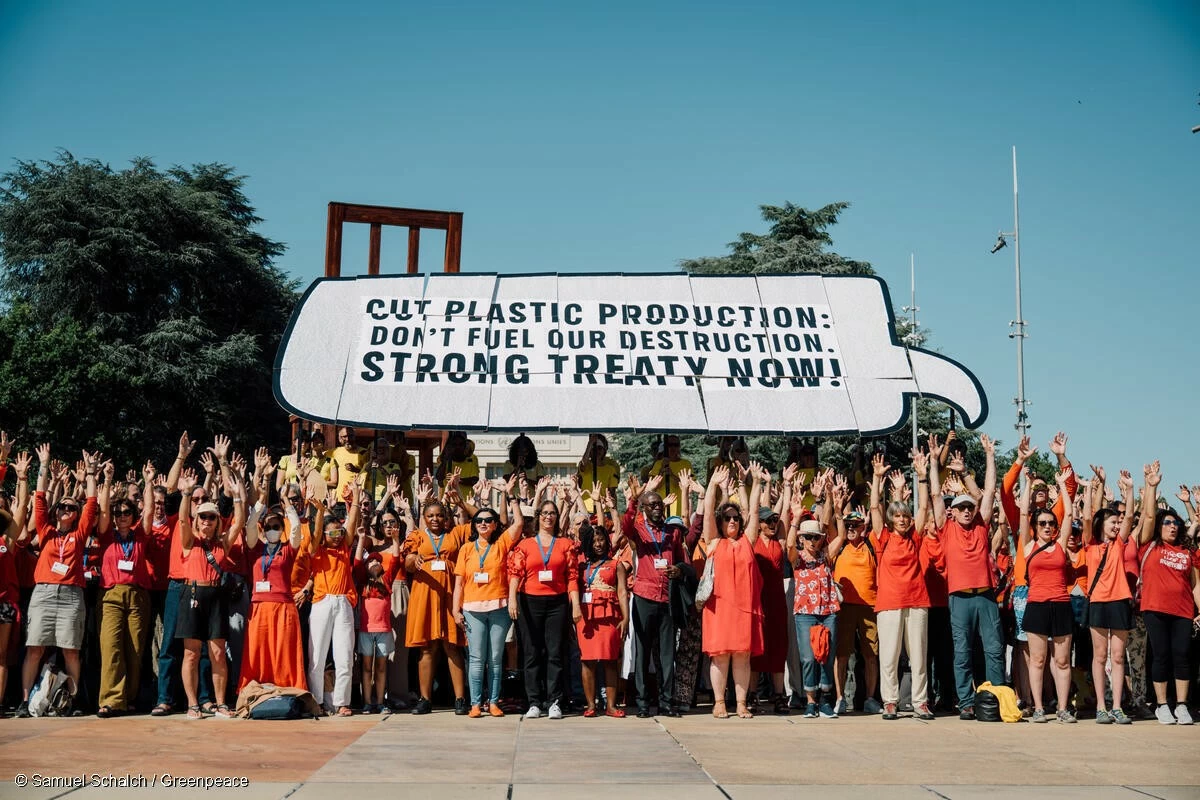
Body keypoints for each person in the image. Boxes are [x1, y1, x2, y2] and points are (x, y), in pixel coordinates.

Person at [15, 444, 99, 717]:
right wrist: (43, 464)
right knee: (35, 648)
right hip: (44, 593)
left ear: (75, 514)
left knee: (71, 651)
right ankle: (26, 701)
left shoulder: (80, 533)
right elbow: (39, 499)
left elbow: (92, 504)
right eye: (62, 505)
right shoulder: (47, 530)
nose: (66, 508)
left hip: (72, 595)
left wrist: (90, 475)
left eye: (71, 507)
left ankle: (71, 701)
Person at [926, 432, 1003, 721]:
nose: (967, 511)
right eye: (961, 508)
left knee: (994, 650)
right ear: (952, 512)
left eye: (969, 507)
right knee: (962, 654)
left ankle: (996, 697)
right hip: (959, 599)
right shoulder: (946, 529)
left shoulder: (982, 527)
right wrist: (934, 462)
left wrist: (989, 456)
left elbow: (990, 490)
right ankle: (967, 703)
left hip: (985, 596)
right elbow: (935, 495)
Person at [175, 465, 245, 719]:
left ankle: (221, 703)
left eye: (211, 517)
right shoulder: (189, 541)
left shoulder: (222, 543)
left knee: (217, 652)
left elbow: (239, 522)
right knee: (191, 653)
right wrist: (185, 494)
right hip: (192, 595)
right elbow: (183, 519)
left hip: (216, 597)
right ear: (197, 520)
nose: (206, 521)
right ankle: (193, 704)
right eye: (203, 517)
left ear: (217, 522)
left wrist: (238, 496)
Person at [870, 451, 935, 721]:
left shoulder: (915, 538)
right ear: (890, 519)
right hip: (889, 603)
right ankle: (890, 702)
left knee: (919, 657)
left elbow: (922, 509)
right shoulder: (882, 538)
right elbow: (874, 508)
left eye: (905, 516)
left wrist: (921, 477)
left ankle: (920, 702)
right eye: (897, 516)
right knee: (889, 656)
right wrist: (876, 478)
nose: (903, 519)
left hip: (917, 601)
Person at [616, 474, 688, 718]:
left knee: (668, 653)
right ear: (645, 509)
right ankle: (643, 703)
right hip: (644, 596)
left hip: (667, 597)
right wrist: (634, 500)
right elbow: (625, 526)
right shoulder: (639, 531)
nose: (657, 508)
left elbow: (683, 563)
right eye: (652, 505)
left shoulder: (673, 533)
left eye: (660, 504)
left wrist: (678, 570)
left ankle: (667, 702)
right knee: (642, 650)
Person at [1134, 462, 1199, 725]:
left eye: (1176, 523)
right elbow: (1148, 517)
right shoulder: (1148, 545)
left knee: (1182, 655)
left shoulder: (1187, 552)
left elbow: (1195, 585)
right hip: (1155, 609)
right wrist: (1151, 486)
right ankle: (1162, 705)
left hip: (1183, 611)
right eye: (1168, 522)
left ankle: (1181, 705)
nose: (1173, 526)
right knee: (1161, 655)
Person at [700, 463, 765, 719]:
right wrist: (712, 486)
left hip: (744, 609)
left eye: (736, 518)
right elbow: (706, 515)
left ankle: (740, 703)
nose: (732, 521)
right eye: (727, 518)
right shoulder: (714, 542)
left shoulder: (747, 541)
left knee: (742, 657)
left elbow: (755, 512)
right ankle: (718, 702)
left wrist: (757, 483)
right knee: (720, 657)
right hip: (718, 608)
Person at [452, 489, 524, 718]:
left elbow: (519, 523)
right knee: (476, 658)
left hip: (499, 608)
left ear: (495, 525)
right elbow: (459, 584)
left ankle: (493, 702)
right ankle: (475, 704)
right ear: (474, 526)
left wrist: (512, 498)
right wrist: (456, 609)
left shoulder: (502, 544)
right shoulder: (466, 549)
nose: (483, 524)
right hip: (473, 609)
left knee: (495, 659)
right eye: (479, 521)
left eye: (488, 520)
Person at [508, 500, 581, 719]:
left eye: (553, 513)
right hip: (530, 601)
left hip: (557, 603)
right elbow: (515, 573)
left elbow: (572, 577)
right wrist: (512, 599)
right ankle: (534, 702)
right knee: (531, 653)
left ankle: (555, 701)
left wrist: (575, 604)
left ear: (557, 517)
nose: (548, 517)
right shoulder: (526, 544)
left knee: (555, 653)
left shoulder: (565, 544)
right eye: (545, 513)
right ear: (538, 517)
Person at [1018, 467, 1078, 723]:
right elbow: (1022, 511)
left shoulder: (1060, 544)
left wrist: (1063, 485)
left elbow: (1069, 515)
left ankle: (1063, 708)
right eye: (1042, 523)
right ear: (1034, 526)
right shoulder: (1028, 545)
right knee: (1038, 659)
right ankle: (1039, 707)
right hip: (1037, 605)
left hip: (1061, 605)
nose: (1047, 526)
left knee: (1062, 661)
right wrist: (1028, 485)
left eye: (1050, 523)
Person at [403, 497, 470, 714]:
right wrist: (415, 561)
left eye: (439, 515)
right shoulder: (418, 536)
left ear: (447, 518)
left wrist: (461, 501)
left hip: (450, 594)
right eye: (430, 516)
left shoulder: (455, 534)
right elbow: (407, 563)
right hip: (425, 594)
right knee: (427, 647)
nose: (435, 519)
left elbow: (480, 519)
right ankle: (425, 699)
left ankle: (460, 698)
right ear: (424, 518)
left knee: (452, 645)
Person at [786, 470, 844, 719]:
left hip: (828, 611)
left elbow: (840, 535)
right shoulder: (798, 558)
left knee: (826, 657)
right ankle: (811, 700)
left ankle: (826, 701)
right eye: (807, 537)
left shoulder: (825, 555)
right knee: (809, 658)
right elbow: (788, 546)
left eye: (815, 537)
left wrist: (835, 506)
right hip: (805, 613)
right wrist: (795, 519)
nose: (811, 541)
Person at [1082, 467, 1136, 724]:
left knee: (1117, 656)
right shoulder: (1090, 544)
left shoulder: (1119, 543)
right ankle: (1101, 706)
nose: (1117, 525)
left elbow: (1130, 518)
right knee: (1099, 655)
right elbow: (1088, 516)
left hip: (1119, 601)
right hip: (1097, 603)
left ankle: (1117, 706)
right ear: (1101, 524)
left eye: (1118, 522)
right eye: (1112, 522)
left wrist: (1130, 488)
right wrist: (1094, 487)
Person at [95, 480, 153, 718]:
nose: (121, 517)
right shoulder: (107, 535)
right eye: (118, 513)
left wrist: (148, 481)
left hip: (138, 594)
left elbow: (149, 510)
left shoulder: (140, 536)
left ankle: (128, 698)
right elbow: (104, 511)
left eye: (127, 513)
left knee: (135, 649)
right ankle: (110, 700)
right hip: (111, 594)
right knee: (111, 646)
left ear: (133, 515)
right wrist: (107, 481)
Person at [238, 489, 305, 693]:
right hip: (259, 607)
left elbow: (296, 529)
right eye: (268, 526)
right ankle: (257, 690)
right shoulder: (256, 547)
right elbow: (249, 525)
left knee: (284, 651)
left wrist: (286, 501)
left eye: (276, 526)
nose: (272, 529)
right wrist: (260, 501)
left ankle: (287, 689)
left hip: (284, 607)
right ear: (264, 528)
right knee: (258, 651)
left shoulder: (288, 549)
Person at [301, 486, 359, 717]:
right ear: (325, 535)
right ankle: (317, 701)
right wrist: (321, 512)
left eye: (339, 533)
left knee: (344, 655)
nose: (338, 537)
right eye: (332, 534)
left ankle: (341, 702)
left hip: (343, 602)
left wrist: (355, 500)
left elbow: (351, 526)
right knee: (316, 656)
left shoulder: (344, 549)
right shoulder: (318, 551)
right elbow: (315, 537)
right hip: (322, 602)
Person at [574, 518, 629, 718]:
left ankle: (611, 706)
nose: (598, 544)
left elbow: (622, 592)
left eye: (602, 540)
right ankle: (590, 705)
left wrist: (626, 618)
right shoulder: (581, 567)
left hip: (609, 617)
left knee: (610, 660)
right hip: (586, 618)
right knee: (587, 661)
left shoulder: (617, 565)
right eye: (595, 540)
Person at [832, 503, 881, 716]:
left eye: (855, 524)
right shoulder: (840, 545)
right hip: (844, 607)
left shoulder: (870, 545)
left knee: (871, 655)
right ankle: (840, 698)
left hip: (870, 606)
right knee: (841, 655)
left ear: (863, 526)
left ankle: (870, 698)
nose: (851, 528)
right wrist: (836, 509)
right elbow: (832, 527)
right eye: (848, 524)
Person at [354, 508, 402, 714]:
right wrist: (362, 538)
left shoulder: (387, 581)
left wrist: (397, 540)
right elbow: (357, 563)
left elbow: (396, 560)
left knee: (381, 667)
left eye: (377, 561)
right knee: (366, 667)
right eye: (370, 560)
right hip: (366, 630)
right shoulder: (362, 582)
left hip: (383, 630)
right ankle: (367, 702)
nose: (374, 562)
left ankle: (380, 701)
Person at [646, 436, 692, 517]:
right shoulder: (658, 464)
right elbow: (652, 487)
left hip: (680, 509)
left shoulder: (686, 464)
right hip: (662, 508)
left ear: (679, 447)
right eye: (670, 445)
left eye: (676, 445)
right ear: (665, 447)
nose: (673, 448)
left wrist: (672, 475)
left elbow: (690, 486)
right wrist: (661, 470)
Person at [577, 435, 620, 514]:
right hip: (586, 509)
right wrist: (590, 444)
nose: (597, 451)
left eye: (599, 448)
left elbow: (612, 492)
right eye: (594, 448)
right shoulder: (586, 466)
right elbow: (583, 463)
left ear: (604, 450)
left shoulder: (610, 469)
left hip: (604, 509)